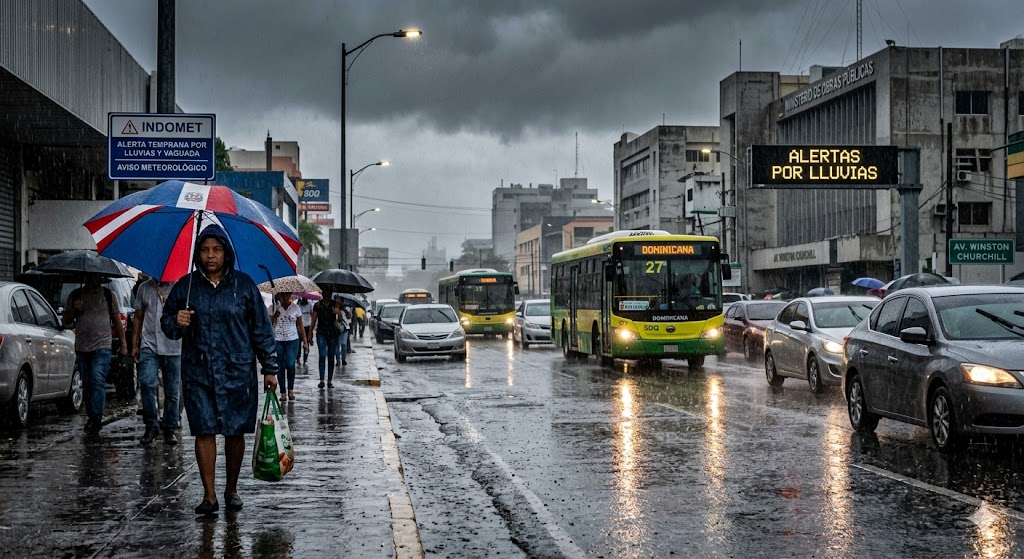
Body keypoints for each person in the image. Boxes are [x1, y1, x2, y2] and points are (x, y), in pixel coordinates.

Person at [161, 225, 279, 516]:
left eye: (216, 250)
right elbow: (167, 326)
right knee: (204, 429)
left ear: (226, 253)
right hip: (198, 371)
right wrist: (178, 320)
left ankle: (231, 489)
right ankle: (209, 495)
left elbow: (261, 330)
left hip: (236, 371)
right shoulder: (186, 287)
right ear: (197, 254)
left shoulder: (244, 286)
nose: (210, 255)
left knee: (235, 431)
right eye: (204, 250)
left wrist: (270, 368)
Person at [64, 273, 128, 434]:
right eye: (90, 278)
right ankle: (92, 415)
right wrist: (74, 309)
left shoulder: (108, 295)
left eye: (96, 278)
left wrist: (123, 344)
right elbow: (65, 320)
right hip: (82, 346)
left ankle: (96, 418)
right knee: (87, 383)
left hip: (102, 346)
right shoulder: (75, 295)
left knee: (97, 379)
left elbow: (117, 320)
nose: (92, 281)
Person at [132, 277, 182, 446]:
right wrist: (134, 344)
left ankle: (169, 428)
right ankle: (151, 425)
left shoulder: (179, 288)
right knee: (146, 383)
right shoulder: (144, 288)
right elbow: (138, 317)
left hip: (174, 346)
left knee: (172, 391)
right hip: (149, 344)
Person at [269, 292, 307, 401]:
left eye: (286, 295)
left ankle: (291, 389)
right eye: (282, 296)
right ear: (279, 296)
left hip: (292, 340)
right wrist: (273, 316)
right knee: (280, 366)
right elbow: (268, 324)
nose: (284, 298)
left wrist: (304, 341)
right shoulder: (273, 307)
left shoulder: (296, 308)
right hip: (278, 340)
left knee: (290, 364)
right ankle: (283, 392)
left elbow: (300, 325)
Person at [309, 291, 339, 388]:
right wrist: (310, 335)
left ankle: (329, 380)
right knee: (322, 355)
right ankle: (322, 380)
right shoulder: (317, 305)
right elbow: (313, 320)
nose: (327, 296)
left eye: (328, 294)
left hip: (333, 333)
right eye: (325, 294)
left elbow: (341, 319)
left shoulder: (335, 304)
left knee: (331, 356)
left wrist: (337, 312)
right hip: (321, 333)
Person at [296, 296, 314, 364]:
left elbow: (312, 314)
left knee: (306, 343)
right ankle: (298, 358)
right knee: (299, 344)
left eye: (306, 298)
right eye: (303, 298)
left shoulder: (310, 305)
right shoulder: (298, 305)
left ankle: (305, 359)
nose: (305, 299)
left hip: (307, 326)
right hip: (300, 326)